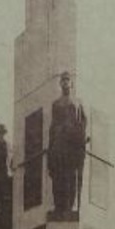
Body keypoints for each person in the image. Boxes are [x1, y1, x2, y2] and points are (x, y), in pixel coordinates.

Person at [47, 71, 87, 217]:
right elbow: (52, 126)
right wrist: (51, 146)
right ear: (60, 84)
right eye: (62, 80)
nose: (65, 83)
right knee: (58, 176)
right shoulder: (56, 104)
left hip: (72, 145)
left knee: (71, 175)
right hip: (58, 144)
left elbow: (83, 123)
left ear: (71, 83)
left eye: (67, 80)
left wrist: (80, 142)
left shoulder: (77, 102)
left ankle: (70, 205)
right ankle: (59, 206)